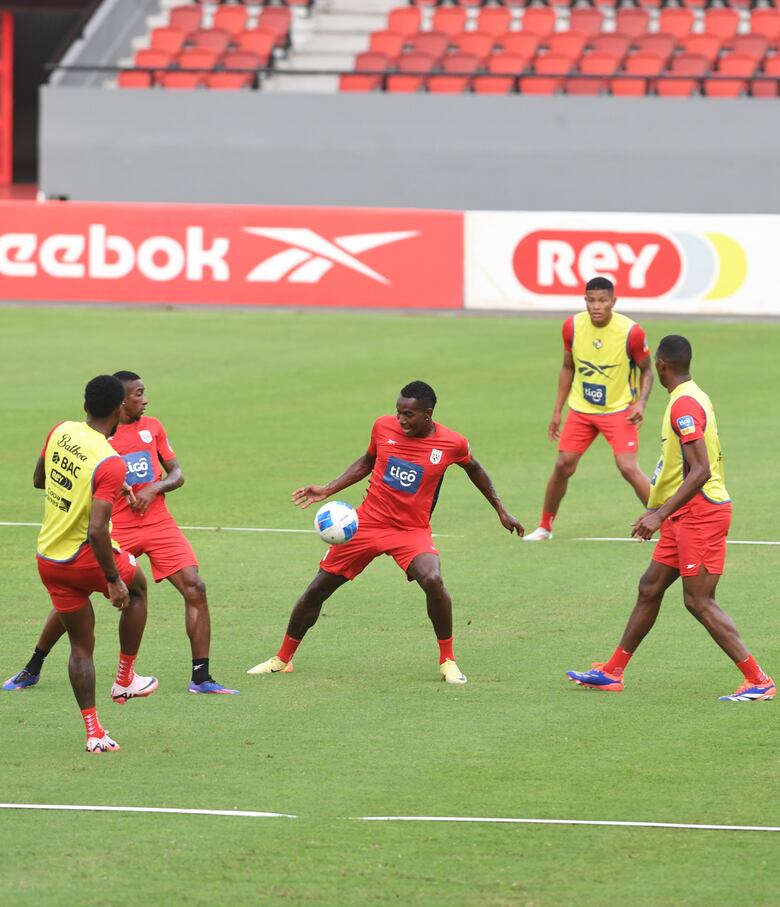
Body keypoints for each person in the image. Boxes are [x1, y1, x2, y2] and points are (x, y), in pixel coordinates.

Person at [247, 380, 524, 684]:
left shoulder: (452, 443)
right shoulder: (383, 427)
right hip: (367, 523)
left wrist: (500, 508)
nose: (401, 420)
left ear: (428, 414)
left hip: (410, 530)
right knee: (317, 589)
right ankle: (282, 658)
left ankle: (448, 660)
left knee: (433, 579)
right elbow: (367, 461)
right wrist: (328, 489)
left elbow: (475, 469)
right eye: (398, 412)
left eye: (409, 415)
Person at [566, 335, 775, 701]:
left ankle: (759, 681)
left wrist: (658, 515)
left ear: (661, 364)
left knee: (699, 600)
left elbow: (701, 470)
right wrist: (661, 509)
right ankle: (613, 671)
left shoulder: (683, 407)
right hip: (683, 513)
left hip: (701, 513)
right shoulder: (693, 395)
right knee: (650, 587)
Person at [3, 371, 238, 696]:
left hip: (157, 523)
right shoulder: (96, 440)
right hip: (115, 528)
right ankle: (33, 666)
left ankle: (201, 677)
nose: (145, 399)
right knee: (74, 595)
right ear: (121, 402)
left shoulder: (152, 427)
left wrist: (155, 487)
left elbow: (177, 472)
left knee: (195, 587)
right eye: (138, 393)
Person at [30, 375, 158, 753]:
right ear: (119, 409)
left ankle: (94, 732)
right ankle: (125, 678)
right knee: (137, 588)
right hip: (85, 556)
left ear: (85, 405)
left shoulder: (61, 430)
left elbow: (40, 480)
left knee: (80, 648)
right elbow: (98, 531)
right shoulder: (110, 461)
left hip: (49, 559)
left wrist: (100, 486)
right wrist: (112, 579)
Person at [524, 277, 654, 541]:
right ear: (585, 300)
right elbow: (568, 367)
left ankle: (666, 522)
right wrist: (557, 410)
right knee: (563, 465)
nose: (596, 306)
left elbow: (647, 370)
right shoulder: (572, 327)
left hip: (618, 410)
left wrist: (641, 402)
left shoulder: (631, 332)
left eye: (603, 300)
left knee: (628, 467)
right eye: (591, 300)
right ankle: (545, 527)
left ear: (613, 302)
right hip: (582, 410)